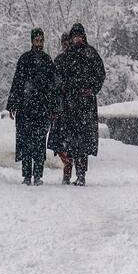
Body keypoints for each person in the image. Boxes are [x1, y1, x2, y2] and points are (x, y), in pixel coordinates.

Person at [56, 22, 105, 186]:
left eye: (79, 36)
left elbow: (100, 74)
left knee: (83, 142)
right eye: (75, 36)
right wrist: (63, 88)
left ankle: (81, 174)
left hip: (85, 105)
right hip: (70, 104)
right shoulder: (67, 55)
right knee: (70, 141)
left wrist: (92, 89)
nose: (77, 39)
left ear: (83, 37)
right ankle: (69, 172)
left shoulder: (91, 54)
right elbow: (58, 75)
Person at [7, 27, 56, 185]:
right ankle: (27, 175)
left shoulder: (48, 61)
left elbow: (52, 86)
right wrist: (13, 104)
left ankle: (38, 175)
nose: (39, 43)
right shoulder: (24, 59)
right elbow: (17, 82)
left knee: (40, 142)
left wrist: (53, 107)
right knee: (26, 142)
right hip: (26, 107)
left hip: (41, 109)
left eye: (41, 40)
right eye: (36, 40)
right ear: (32, 41)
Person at [49, 32, 74, 184]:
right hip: (60, 106)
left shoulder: (76, 60)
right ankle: (67, 164)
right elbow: (53, 82)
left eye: (67, 41)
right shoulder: (58, 60)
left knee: (69, 141)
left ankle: (68, 172)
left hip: (72, 107)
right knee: (57, 141)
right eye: (64, 42)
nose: (66, 44)